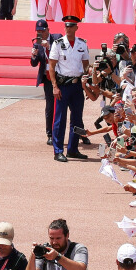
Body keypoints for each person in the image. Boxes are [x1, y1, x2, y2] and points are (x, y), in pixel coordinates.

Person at [48, 16, 90, 162]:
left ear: (76, 27)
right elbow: (51, 67)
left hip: (77, 85)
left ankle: (73, 149)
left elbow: (85, 64)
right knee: (60, 118)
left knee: (77, 118)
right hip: (63, 85)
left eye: (72, 26)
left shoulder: (82, 44)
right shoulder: (58, 44)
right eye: (67, 26)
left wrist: (89, 77)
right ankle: (58, 150)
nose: (69, 28)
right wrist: (54, 86)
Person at [30, 19, 62, 146]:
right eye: (38, 31)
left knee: (67, 104)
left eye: (42, 31)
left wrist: (49, 46)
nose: (40, 34)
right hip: (48, 78)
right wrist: (33, 55)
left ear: (48, 30)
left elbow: (62, 52)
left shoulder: (57, 38)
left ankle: (77, 132)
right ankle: (50, 134)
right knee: (49, 106)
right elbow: (34, 64)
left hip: (60, 77)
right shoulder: (36, 44)